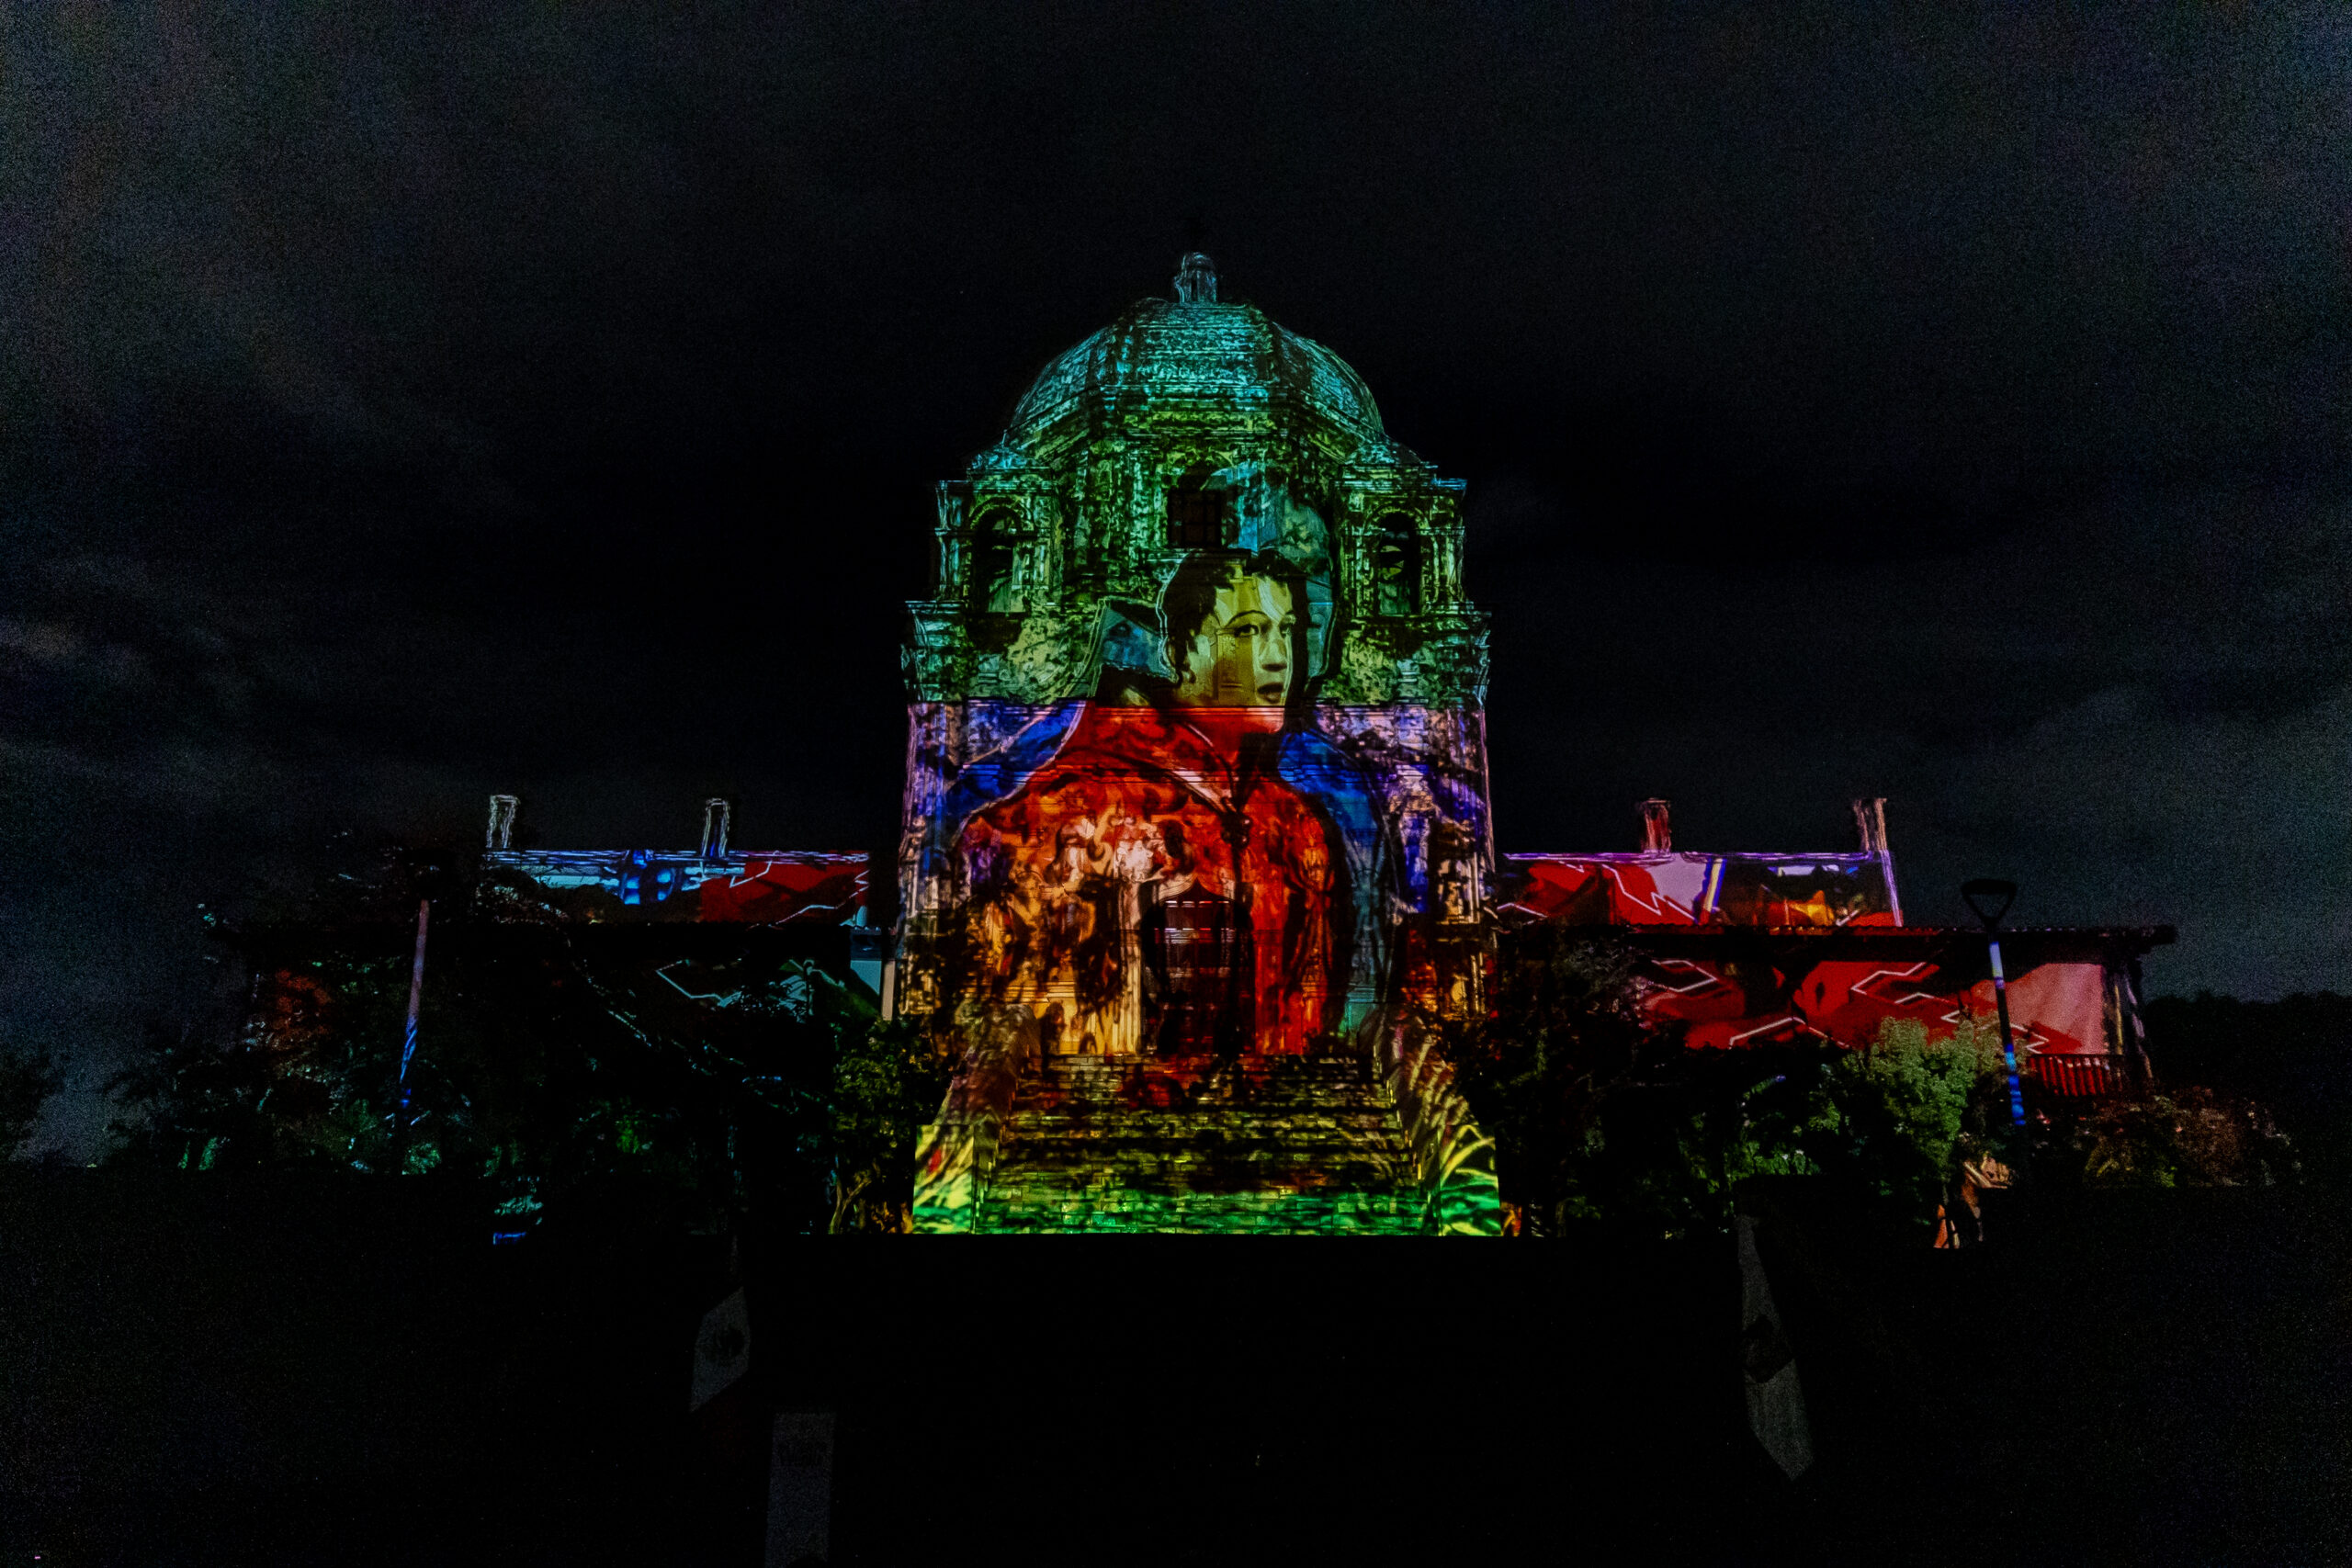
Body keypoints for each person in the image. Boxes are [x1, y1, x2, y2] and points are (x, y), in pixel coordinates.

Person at [956, 549, 1344, 1056]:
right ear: (1180, 653)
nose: (1278, 657)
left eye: (1286, 630)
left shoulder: (1294, 821)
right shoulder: (1070, 803)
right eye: (1248, 631)